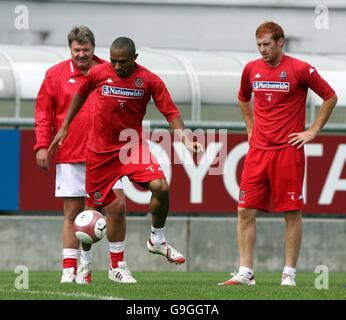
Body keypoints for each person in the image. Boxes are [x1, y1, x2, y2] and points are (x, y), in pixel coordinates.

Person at [49, 37, 203, 280]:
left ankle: (157, 239)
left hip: (131, 147)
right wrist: (65, 126)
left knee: (161, 186)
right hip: (100, 151)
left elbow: (171, 112)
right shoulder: (99, 73)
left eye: (122, 62)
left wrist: (184, 138)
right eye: (113, 61)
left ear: (135, 59)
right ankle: (85, 266)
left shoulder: (149, 80)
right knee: (92, 212)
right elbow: (80, 93)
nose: (117, 66)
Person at [219, 21, 337, 286]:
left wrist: (313, 130)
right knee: (244, 210)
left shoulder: (300, 69)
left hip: (288, 152)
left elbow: (330, 96)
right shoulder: (251, 69)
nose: (262, 49)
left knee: (291, 211)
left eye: (267, 44)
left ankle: (288, 273)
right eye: (259, 44)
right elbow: (242, 97)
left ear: (281, 42)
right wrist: (250, 127)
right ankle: (245, 272)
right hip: (257, 152)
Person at [34, 26, 130, 284]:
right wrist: (42, 145)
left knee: (117, 206)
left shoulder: (109, 72)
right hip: (71, 152)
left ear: (93, 49)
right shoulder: (55, 75)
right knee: (74, 213)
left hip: (107, 153)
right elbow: (44, 112)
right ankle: (71, 270)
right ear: (70, 50)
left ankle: (117, 266)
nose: (81, 55)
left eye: (86, 50)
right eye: (77, 50)